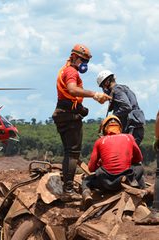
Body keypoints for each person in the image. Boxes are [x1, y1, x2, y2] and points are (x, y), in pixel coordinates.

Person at [52, 44, 111, 194]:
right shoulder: (71, 71)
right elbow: (72, 89)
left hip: (63, 111)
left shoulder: (65, 69)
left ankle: (67, 184)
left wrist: (80, 108)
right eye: (82, 60)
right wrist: (94, 94)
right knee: (72, 152)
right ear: (73, 57)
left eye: (86, 61)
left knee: (68, 151)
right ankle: (69, 189)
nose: (84, 64)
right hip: (68, 116)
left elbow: (68, 95)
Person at [81, 115, 146, 207]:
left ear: (104, 129)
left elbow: (91, 168)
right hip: (125, 180)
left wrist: (102, 164)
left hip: (105, 182)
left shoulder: (100, 141)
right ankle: (141, 191)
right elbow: (138, 159)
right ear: (119, 127)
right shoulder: (129, 137)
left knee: (86, 181)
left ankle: (86, 194)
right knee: (139, 167)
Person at [96, 70, 145, 146]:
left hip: (131, 129)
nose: (103, 89)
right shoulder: (123, 88)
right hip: (135, 128)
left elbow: (126, 107)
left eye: (102, 86)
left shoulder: (117, 90)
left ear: (107, 82)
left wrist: (112, 117)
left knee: (126, 154)